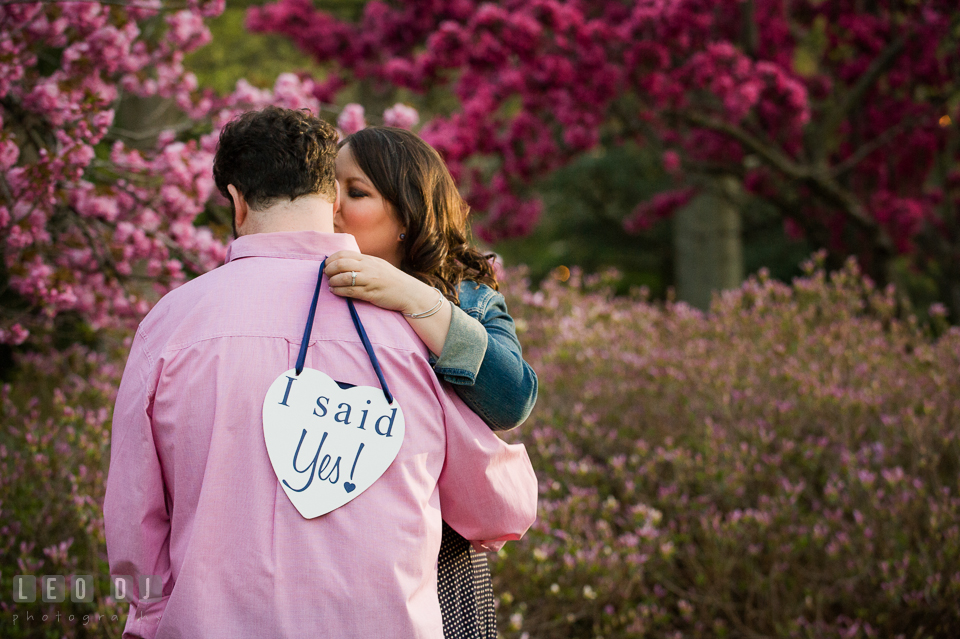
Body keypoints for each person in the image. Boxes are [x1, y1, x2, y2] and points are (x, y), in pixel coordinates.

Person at [102, 106, 538, 639]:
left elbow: (134, 513)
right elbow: (499, 504)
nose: (340, 211)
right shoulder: (402, 339)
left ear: (237, 203)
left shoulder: (171, 322)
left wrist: (150, 619)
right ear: (323, 195)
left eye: (359, 194)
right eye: (342, 191)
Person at [321, 126, 538, 639]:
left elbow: (513, 398)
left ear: (407, 213)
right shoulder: (312, 285)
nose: (332, 207)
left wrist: (417, 302)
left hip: (437, 552)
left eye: (356, 192)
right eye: (328, 189)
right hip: (332, 538)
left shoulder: (467, 296)